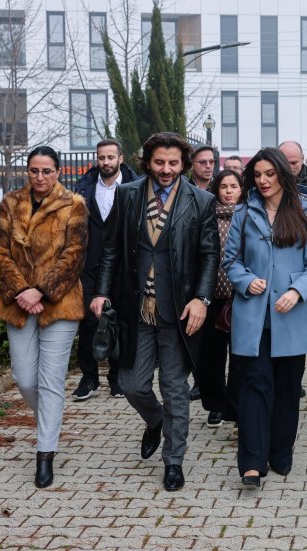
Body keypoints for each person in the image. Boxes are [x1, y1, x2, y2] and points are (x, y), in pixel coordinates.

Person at [91, 132, 219, 491]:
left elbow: (210, 255)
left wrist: (202, 299)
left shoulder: (201, 200)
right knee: (131, 384)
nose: (166, 169)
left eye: (174, 163)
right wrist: (101, 292)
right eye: (160, 162)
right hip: (137, 308)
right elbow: (111, 249)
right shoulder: (128, 194)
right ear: (148, 162)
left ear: (184, 164)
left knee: (175, 386)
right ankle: (155, 420)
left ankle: (173, 461)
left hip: (178, 312)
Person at [224, 147, 307, 488]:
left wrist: (297, 291)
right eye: (257, 175)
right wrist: (244, 280)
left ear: (284, 174)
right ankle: (252, 463)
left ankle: (281, 449)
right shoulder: (244, 211)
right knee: (254, 385)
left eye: (270, 174)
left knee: (285, 389)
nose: (263, 181)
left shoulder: (306, 210)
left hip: (290, 315)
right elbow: (231, 261)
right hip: (253, 317)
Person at [0, 146, 88, 488]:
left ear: (58, 172)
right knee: (25, 378)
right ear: (27, 171)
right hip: (18, 302)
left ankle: (45, 453)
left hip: (59, 303)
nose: (40, 177)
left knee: (50, 380)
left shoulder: (73, 204)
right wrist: (22, 291)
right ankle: (50, 420)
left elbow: (74, 256)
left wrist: (42, 291)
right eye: (34, 170)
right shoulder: (10, 203)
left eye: (47, 171)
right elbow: (0, 251)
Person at [71, 139, 139, 401]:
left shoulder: (135, 186)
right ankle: (89, 379)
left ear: (120, 158)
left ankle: (117, 378)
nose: (106, 162)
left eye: (111, 157)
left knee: (119, 320)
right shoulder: (83, 187)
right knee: (89, 321)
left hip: (123, 265)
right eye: (102, 157)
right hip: (89, 264)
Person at [196, 169, 242, 427]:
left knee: (239, 356)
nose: (228, 191)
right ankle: (214, 404)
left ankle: (234, 407)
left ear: (241, 189)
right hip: (212, 298)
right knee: (211, 356)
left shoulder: (248, 217)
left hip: (240, 298)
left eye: (233, 186)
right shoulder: (207, 217)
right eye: (223, 186)